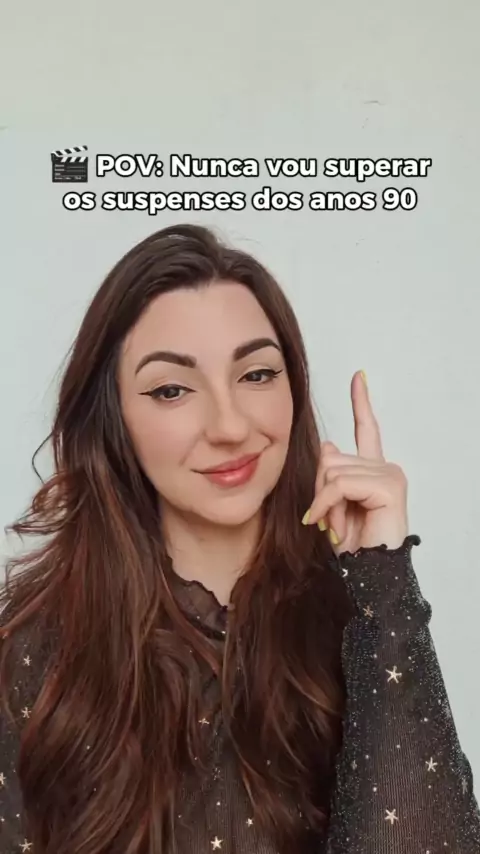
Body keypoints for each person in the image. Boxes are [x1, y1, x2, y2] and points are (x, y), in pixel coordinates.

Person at [0, 224, 478, 854]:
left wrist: (383, 579)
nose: (229, 426)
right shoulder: (35, 651)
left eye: (256, 374)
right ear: (113, 420)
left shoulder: (363, 623)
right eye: (171, 389)